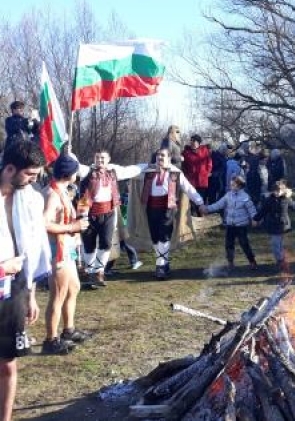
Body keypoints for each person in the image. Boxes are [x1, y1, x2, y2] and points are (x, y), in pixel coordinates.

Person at [0, 140, 51, 421]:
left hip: (15, 288)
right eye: (30, 175)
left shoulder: (30, 199)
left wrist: (30, 293)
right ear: (9, 168)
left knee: (8, 362)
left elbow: (32, 247)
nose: (35, 181)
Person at [42, 154, 91, 355]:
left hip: (66, 247)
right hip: (57, 251)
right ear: (69, 173)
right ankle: (50, 340)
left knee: (74, 288)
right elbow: (44, 224)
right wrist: (73, 226)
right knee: (59, 294)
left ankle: (68, 330)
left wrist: (77, 223)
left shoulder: (62, 190)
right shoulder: (52, 194)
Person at [78, 149, 145, 286]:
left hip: (108, 213)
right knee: (88, 244)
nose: (100, 161)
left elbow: (130, 170)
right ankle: (90, 271)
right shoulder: (87, 171)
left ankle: (99, 272)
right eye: (97, 158)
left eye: (103, 158)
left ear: (108, 160)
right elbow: (74, 166)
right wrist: (67, 154)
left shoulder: (114, 172)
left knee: (106, 243)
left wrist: (147, 165)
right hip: (88, 213)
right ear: (94, 159)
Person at [141, 148, 204, 279]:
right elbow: (130, 171)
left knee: (164, 235)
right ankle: (164, 262)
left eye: (163, 156)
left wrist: (199, 202)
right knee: (155, 237)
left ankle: (160, 266)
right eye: (158, 155)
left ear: (169, 158)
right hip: (151, 208)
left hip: (167, 208)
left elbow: (188, 188)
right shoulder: (149, 171)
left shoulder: (175, 172)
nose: (160, 158)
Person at [202, 176, 258, 271]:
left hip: (241, 225)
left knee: (244, 244)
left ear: (239, 185)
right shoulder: (228, 195)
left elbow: (252, 210)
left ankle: (252, 261)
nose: (231, 186)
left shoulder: (245, 197)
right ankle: (230, 262)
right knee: (228, 245)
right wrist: (207, 209)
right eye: (231, 184)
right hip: (230, 225)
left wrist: (254, 219)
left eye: (233, 184)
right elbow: (219, 204)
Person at [254, 179, 294, 272]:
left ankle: (281, 261)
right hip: (273, 225)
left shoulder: (286, 199)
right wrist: (256, 219)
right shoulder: (269, 200)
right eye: (275, 190)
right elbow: (263, 211)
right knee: (276, 244)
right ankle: (280, 261)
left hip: (282, 225)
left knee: (278, 244)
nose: (277, 192)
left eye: (279, 190)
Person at [182, 135, 212, 206]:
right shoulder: (186, 152)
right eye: (191, 141)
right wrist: (186, 174)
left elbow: (209, 163)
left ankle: (201, 214)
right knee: (192, 200)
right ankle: (192, 214)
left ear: (198, 142)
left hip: (202, 180)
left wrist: (207, 172)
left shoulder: (204, 150)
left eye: (194, 141)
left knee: (201, 199)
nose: (192, 143)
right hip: (191, 180)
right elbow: (183, 165)